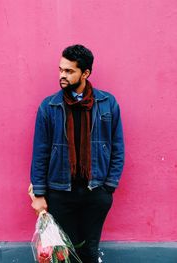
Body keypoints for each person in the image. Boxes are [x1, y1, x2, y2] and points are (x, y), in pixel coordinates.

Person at [30, 44, 124, 263]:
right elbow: (40, 152)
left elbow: (117, 147)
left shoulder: (107, 104)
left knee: (89, 251)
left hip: (96, 191)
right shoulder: (49, 106)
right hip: (60, 192)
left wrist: (109, 187)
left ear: (85, 73)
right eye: (61, 69)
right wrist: (40, 194)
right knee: (64, 253)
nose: (62, 75)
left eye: (69, 71)